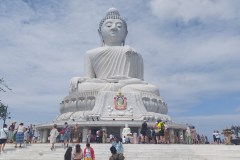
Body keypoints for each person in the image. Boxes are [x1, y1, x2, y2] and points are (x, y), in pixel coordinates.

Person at [69, 7, 160, 99]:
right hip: (104, 86)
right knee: (80, 88)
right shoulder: (90, 54)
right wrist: (79, 80)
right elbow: (89, 79)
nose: (113, 28)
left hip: (128, 86)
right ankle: (120, 89)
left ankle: (120, 89)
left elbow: (140, 81)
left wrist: (125, 82)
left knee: (153, 89)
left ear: (126, 33)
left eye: (119, 26)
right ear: (99, 33)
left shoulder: (134, 53)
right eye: (108, 25)